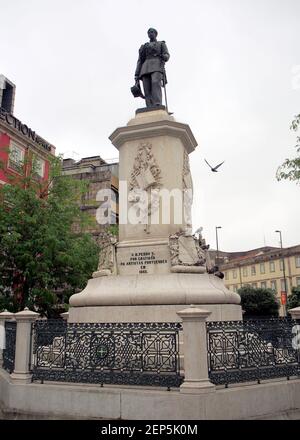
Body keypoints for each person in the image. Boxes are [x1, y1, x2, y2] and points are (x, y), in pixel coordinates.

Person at [134, 28, 170, 108]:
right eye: (149, 32)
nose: (150, 33)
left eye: (152, 32)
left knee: (155, 83)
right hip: (145, 67)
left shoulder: (161, 44)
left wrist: (165, 56)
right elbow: (140, 60)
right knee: (147, 88)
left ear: (155, 34)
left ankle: (157, 103)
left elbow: (166, 54)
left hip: (157, 65)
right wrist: (136, 74)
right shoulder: (144, 46)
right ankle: (149, 105)